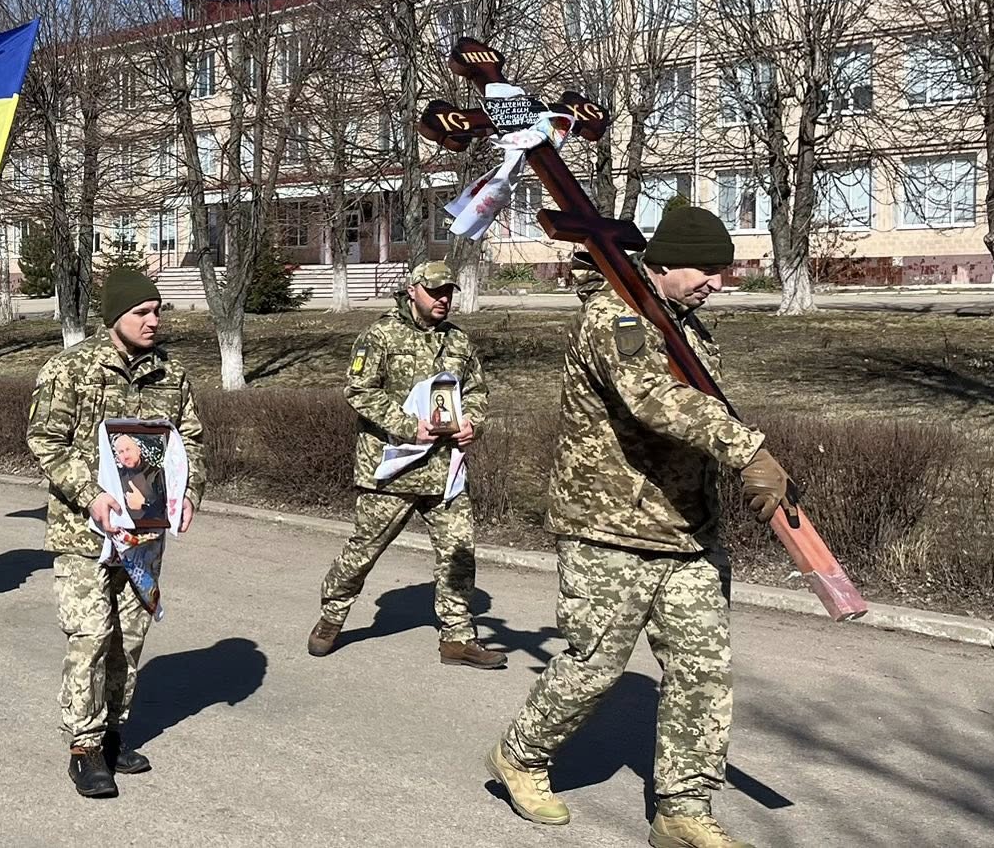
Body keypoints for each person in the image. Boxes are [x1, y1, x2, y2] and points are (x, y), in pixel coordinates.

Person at [489, 207, 790, 848]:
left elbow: (698, 407)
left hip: (686, 531)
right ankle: (521, 757)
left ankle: (682, 810)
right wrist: (748, 449)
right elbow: (656, 399)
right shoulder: (615, 317)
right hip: (609, 527)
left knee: (702, 670)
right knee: (594, 664)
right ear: (661, 263)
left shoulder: (682, 323)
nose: (717, 282)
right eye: (706, 269)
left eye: (724, 270)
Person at [26, 268, 205, 799]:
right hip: (84, 532)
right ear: (114, 320)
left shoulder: (170, 373)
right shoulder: (69, 369)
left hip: (143, 537)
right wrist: (91, 496)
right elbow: (45, 440)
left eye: (157, 311)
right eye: (141, 313)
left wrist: (188, 494)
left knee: (129, 638)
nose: (153, 322)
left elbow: (191, 439)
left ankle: (111, 734)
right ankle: (83, 747)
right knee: (90, 637)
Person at [307, 260, 503, 669]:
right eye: (435, 291)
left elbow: (478, 392)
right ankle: (332, 616)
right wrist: (405, 425)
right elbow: (358, 390)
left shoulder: (459, 342)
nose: (444, 299)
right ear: (413, 290)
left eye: (448, 292)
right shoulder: (380, 335)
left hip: (445, 469)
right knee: (364, 550)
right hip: (392, 467)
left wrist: (473, 424)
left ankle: (457, 638)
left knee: (458, 553)